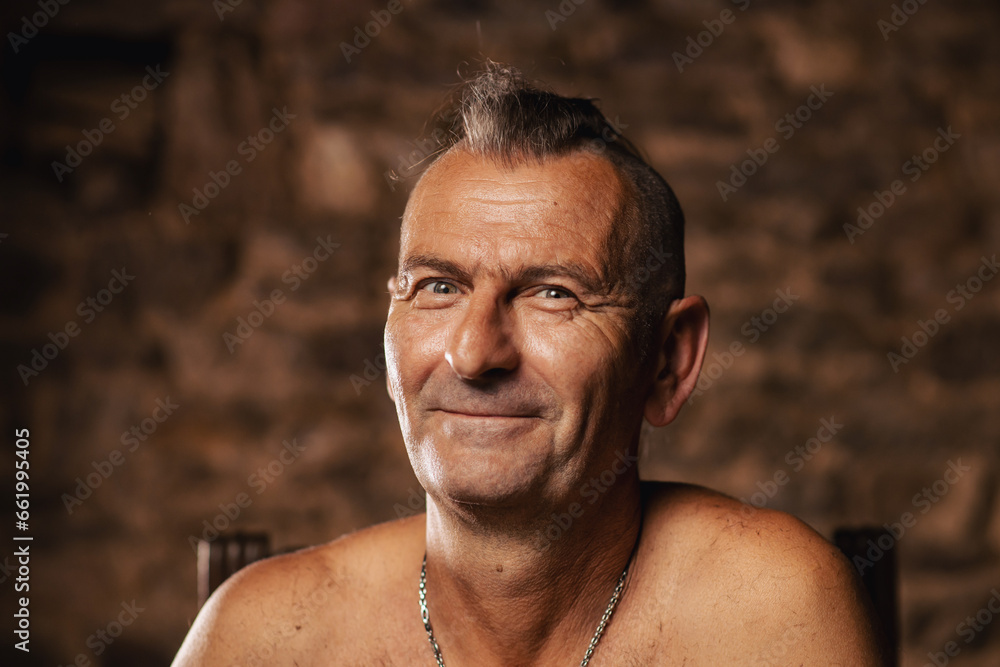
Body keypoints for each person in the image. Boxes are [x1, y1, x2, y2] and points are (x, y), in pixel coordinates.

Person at [173, 63, 887, 666]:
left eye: (553, 293)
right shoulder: (266, 636)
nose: (473, 352)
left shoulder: (771, 619)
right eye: (439, 287)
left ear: (668, 360)